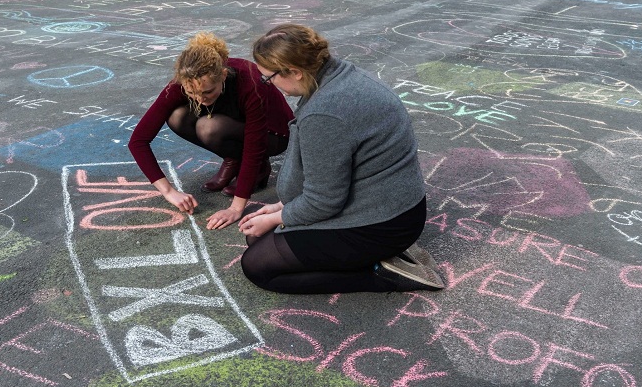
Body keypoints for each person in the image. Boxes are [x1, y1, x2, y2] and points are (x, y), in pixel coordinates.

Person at [237, 24, 445, 294]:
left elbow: (323, 201)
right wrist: (280, 207)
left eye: (269, 78)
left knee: (258, 266)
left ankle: (382, 276)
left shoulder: (325, 113)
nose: (270, 85)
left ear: (296, 72)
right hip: (394, 208)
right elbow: (328, 175)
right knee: (258, 237)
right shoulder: (341, 75)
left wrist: (281, 217)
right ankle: (385, 254)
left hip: (381, 224)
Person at [128, 32, 294, 230]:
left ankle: (260, 169)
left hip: (274, 134)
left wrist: (236, 208)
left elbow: (254, 146)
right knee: (177, 116)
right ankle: (232, 158)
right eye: (192, 93)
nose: (200, 99)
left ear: (223, 75)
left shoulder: (249, 82)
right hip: (233, 124)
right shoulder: (184, 81)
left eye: (207, 91)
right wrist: (169, 192)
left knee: (209, 127)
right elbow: (138, 141)